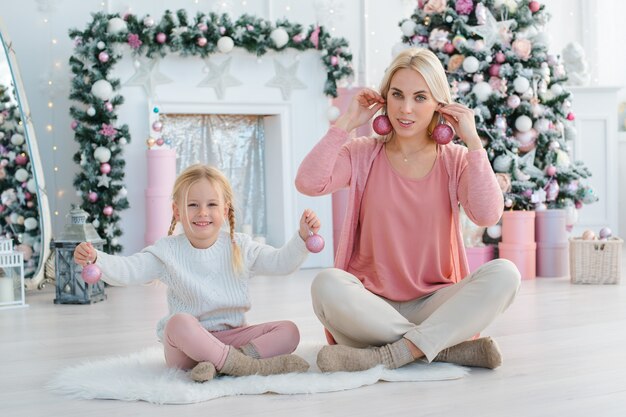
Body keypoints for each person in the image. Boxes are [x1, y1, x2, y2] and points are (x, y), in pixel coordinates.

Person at [295, 47, 521, 373]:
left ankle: (387, 354)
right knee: (325, 285)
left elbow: (487, 215)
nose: (406, 108)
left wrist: (473, 143)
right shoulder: (362, 154)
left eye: (420, 97)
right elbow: (308, 182)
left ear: (438, 105)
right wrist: (346, 122)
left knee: (506, 275)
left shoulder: (456, 160)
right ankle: (439, 349)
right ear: (384, 99)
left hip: (435, 304)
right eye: (397, 95)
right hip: (370, 306)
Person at [74, 164, 321, 382]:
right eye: (192, 205)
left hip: (233, 338)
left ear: (224, 211)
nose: (202, 212)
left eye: (211, 204)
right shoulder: (168, 251)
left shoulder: (240, 246)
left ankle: (224, 364)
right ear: (177, 211)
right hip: (188, 350)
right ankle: (244, 367)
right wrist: (97, 258)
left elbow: (281, 263)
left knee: (289, 331)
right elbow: (128, 270)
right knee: (177, 323)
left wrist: (302, 238)